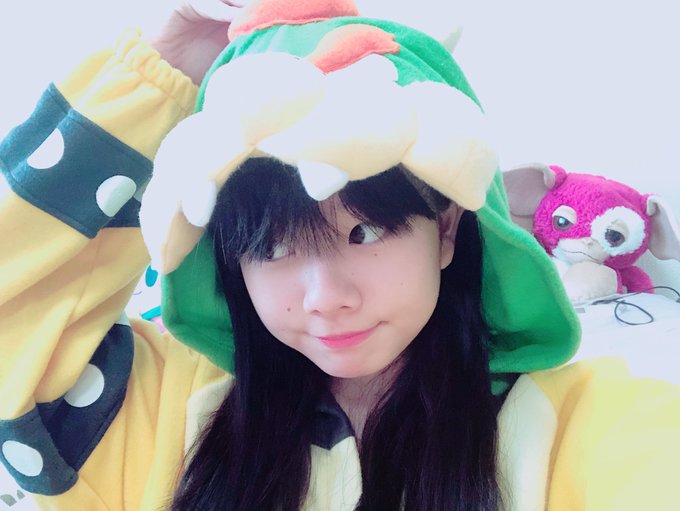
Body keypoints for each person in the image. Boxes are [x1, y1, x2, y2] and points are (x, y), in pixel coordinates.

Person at [1, 1, 679, 510]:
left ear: (445, 229)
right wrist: (160, 76)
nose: (324, 297)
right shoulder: (162, 409)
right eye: (271, 246)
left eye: (364, 233)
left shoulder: (586, 426)